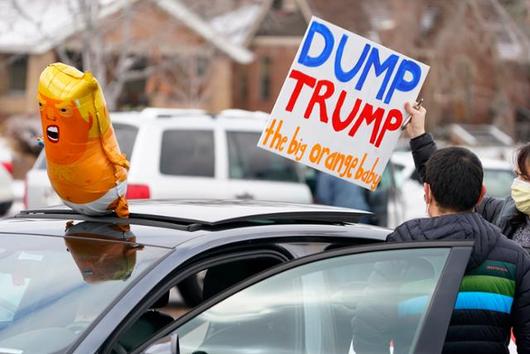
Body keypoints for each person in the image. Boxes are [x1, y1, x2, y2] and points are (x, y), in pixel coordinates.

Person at [352, 105, 530, 353]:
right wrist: (419, 136)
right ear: (482, 195)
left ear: (426, 193)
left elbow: (368, 331)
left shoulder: (402, 249)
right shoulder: (514, 259)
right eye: (521, 176)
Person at [405, 102, 530, 248]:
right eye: (518, 175)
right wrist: (419, 135)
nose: (517, 183)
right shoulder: (506, 212)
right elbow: (446, 179)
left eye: (526, 178)